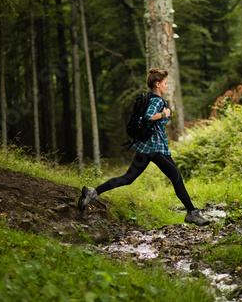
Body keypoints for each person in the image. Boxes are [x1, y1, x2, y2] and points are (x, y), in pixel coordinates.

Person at [78, 68, 210, 226]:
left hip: (144, 148)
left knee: (128, 178)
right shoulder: (157, 100)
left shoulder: (150, 98)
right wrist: (164, 115)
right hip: (156, 148)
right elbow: (148, 115)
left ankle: (93, 191)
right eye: (165, 83)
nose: (167, 86)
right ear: (157, 84)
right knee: (177, 178)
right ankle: (192, 213)